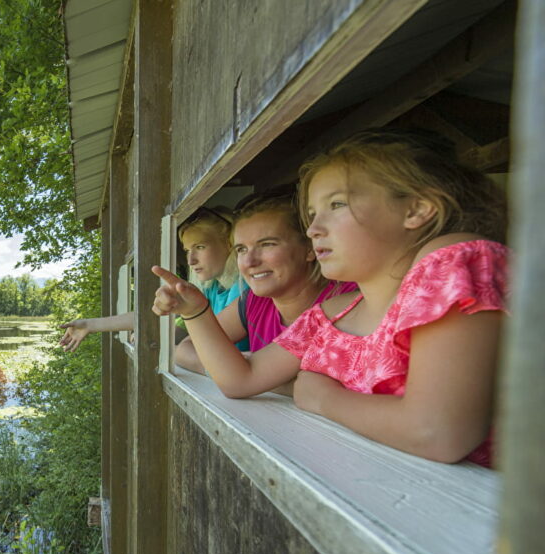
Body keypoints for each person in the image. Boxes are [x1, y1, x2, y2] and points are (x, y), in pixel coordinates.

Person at [153, 128, 507, 466]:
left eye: (336, 205)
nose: (313, 229)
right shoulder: (331, 315)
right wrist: (197, 312)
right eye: (311, 214)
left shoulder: (456, 259)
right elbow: (240, 379)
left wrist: (325, 399)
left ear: (415, 209)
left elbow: (437, 432)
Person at [171, 188, 354, 374]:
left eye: (267, 244)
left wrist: (242, 368)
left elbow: (335, 385)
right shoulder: (254, 301)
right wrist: (230, 367)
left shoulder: (348, 302)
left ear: (309, 249)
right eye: (241, 249)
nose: (250, 262)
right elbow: (186, 348)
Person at [59, 205, 245, 352]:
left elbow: (205, 344)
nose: (191, 260)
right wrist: (90, 324)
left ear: (230, 244)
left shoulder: (244, 289)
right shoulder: (211, 290)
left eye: (200, 247)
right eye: (188, 250)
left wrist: (160, 339)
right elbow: (158, 318)